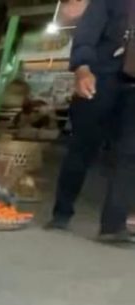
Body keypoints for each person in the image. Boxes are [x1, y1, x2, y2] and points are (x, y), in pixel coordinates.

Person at [46, 0, 135, 242]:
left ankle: (113, 226)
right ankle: (62, 213)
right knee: (83, 146)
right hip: (101, 77)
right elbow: (87, 32)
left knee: (129, 153)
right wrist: (83, 69)